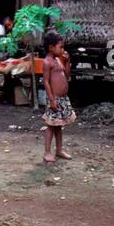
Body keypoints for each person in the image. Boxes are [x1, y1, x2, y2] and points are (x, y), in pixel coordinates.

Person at [41, 30, 76, 163]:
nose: (62, 49)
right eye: (60, 47)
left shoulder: (58, 60)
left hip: (62, 99)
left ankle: (59, 149)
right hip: (54, 99)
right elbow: (46, 82)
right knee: (51, 125)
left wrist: (67, 62)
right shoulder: (47, 62)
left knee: (59, 125)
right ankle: (47, 152)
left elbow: (66, 76)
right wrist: (52, 100)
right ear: (51, 47)